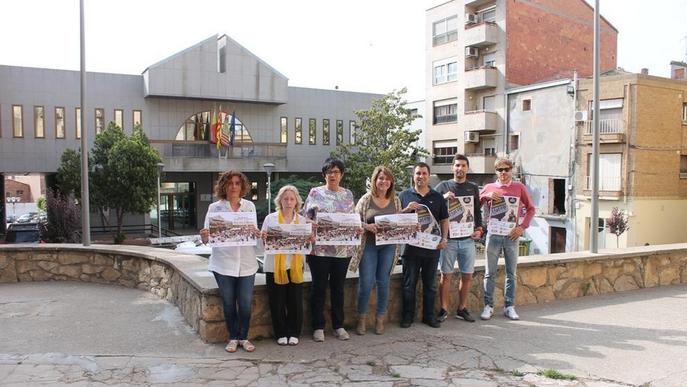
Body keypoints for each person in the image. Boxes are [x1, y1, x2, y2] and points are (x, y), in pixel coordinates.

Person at [200, 170, 259, 353]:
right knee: (228, 303)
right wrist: (204, 236)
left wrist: (256, 233)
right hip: (223, 264)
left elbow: (253, 233)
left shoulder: (249, 207)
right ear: (224, 186)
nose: (234, 187)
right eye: (230, 183)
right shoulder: (214, 208)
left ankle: (244, 337)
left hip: (247, 264)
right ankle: (233, 337)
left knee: (246, 303)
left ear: (242, 187)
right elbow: (207, 239)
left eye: (237, 183)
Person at [303, 158, 360, 342]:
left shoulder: (348, 195)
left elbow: (352, 219)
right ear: (324, 175)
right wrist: (314, 224)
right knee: (318, 288)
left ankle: (338, 325)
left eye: (336, 172)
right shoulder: (315, 193)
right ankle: (318, 326)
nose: (333, 175)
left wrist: (357, 227)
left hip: (342, 250)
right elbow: (306, 218)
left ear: (341, 175)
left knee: (338, 288)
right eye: (329, 172)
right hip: (319, 249)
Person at [479, 157, 535, 320]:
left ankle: (509, 306)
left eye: (506, 169)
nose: (503, 173)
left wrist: (522, 227)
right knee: (489, 273)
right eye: (500, 170)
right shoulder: (489, 187)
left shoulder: (519, 187)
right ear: (495, 171)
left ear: (511, 170)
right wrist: (486, 196)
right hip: (493, 234)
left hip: (512, 235)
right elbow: (476, 205)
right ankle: (488, 306)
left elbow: (531, 209)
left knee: (512, 273)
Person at [350, 166, 402, 335]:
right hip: (369, 246)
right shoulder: (366, 199)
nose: (384, 181)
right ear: (374, 180)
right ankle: (362, 319)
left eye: (387, 179)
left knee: (383, 282)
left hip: (388, 246)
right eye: (380, 178)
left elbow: (399, 221)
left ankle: (380, 319)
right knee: (366, 284)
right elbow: (354, 221)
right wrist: (366, 226)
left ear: (391, 182)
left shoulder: (395, 200)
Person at [434, 154, 483, 323]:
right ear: (452, 168)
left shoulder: (473, 187)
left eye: (463, 166)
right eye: (457, 165)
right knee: (445, 276)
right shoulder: (443, 186)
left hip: (468, 239)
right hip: (449, 240)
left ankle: (462, 308)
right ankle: (444, 309)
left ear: (467, 168)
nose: (460, 169)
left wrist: (479, 229)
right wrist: (443, 198)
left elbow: (477, 211)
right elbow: (433, 208)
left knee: (467, 276)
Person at [398, 162, 449, 328]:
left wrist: (444, 239)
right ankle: (407, 317)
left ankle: (429, 316)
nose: (421, 176)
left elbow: (444, 219)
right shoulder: (404, 195)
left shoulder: (437, 197)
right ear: (413, 176)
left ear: (429, 176)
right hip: (410, 249)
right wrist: (406, 209)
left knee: (430, 286)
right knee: (408, 285)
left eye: (424, 173)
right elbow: (395, 219)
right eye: (418, 173)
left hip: (432, 249)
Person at [261, 185, 311, 346]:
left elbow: (307, 246)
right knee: (277, 302)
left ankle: (294, 332)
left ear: (297, 201)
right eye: (285, 199)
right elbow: (262, 245)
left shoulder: (303, 221)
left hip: (295, 267)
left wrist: (310, 240)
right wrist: (264, 238)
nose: (289, 202)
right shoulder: (270, 219)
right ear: (280, 201)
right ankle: (281, 333)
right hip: (274, 267)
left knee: (295, 302)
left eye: (292, 198)